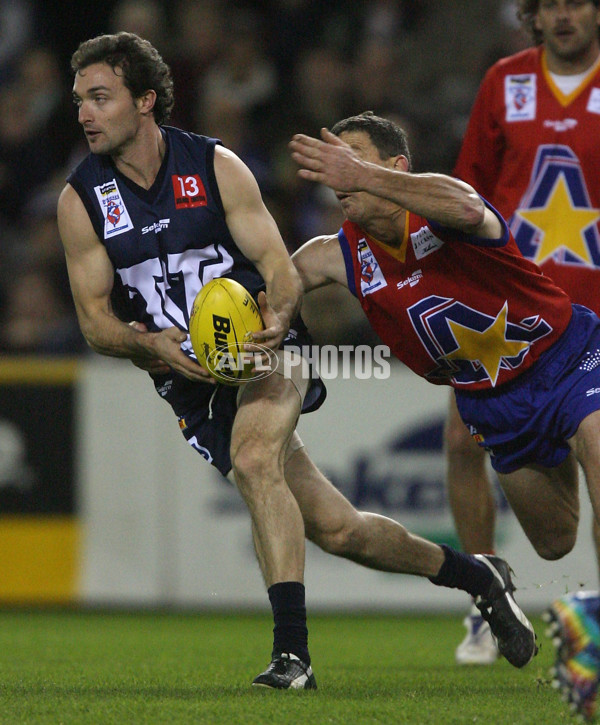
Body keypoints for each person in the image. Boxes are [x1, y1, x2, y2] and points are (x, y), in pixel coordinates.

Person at [57, 33, 538, 689]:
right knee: (341, 530)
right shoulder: (80, 201)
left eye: (99, 96)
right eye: (80, 99)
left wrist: (276, 321)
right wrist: (148, 344)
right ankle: (476, 575)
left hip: (266, 347)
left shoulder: (215, 165)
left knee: (257, 458)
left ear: (145, 101)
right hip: (190, 384)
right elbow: (94, 323)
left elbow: (280, 272)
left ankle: (293, 656)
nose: (84, 111)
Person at [289, 110, 600, 719]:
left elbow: (465, 204)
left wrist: (366, 175)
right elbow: (273, 283)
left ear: (397, 167)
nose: (340, 174)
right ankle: (499, 585)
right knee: (556, 540)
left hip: (569, 356)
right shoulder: (336, 255)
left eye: (354, 158)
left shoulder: (439, 207)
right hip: (495, 402)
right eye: (335, 164)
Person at [447, 0, 600, 684]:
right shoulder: (503, 83)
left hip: (593, 319)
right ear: (532, 17)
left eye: (578, 1)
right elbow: (464, 196)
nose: (564, 16)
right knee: (459, 444)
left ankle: (590, 628)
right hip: (503, 320)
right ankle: (487, 602)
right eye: (550, 4)